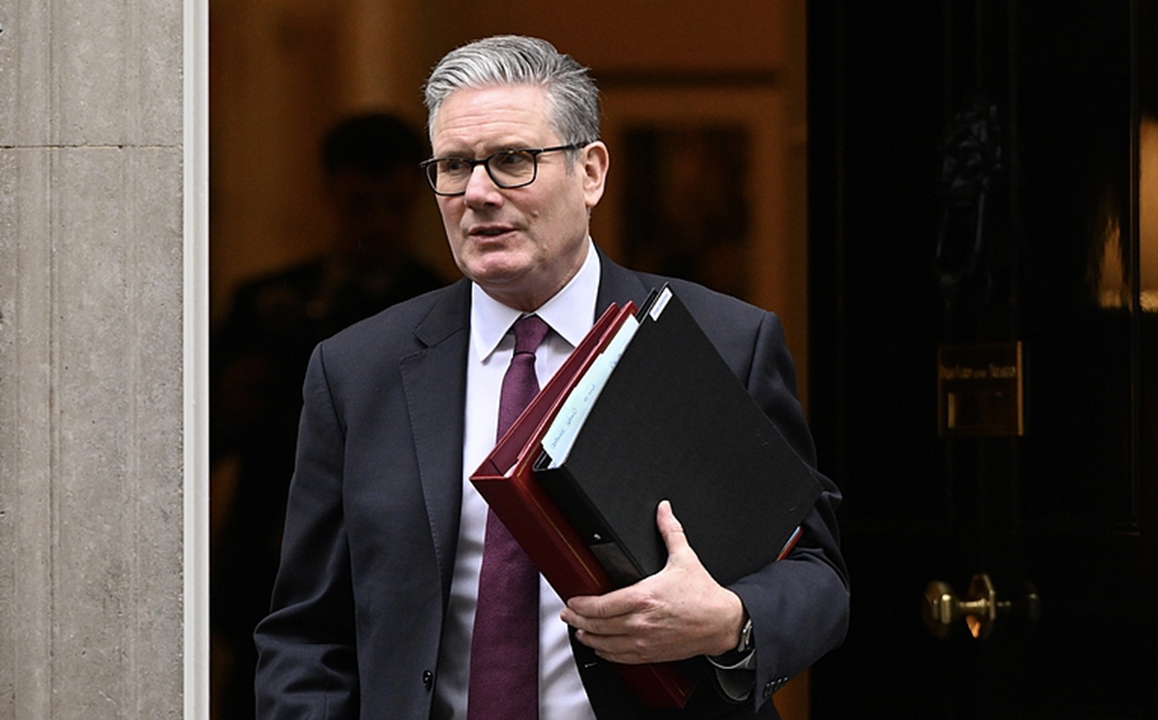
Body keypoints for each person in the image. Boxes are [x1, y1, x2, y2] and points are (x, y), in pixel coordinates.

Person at [254, 36, 848, 720]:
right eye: (453, 166)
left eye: (512, 161)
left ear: (591, 172)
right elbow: (307, 635)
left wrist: (731, 619)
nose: (477, 194)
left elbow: (817, 577)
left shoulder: (722, 342)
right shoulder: (356, 372)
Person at [211, 112, 446, 720]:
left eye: (393, 207)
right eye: (358, 206)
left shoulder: (446, 307)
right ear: (330, 197)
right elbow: (195, 447)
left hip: (394, 572)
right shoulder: (268, 304)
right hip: (272, 563)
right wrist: (233, 405)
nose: (376, 225)